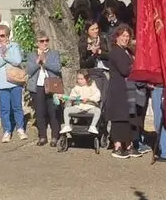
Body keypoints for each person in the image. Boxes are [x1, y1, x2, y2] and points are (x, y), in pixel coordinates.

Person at [0, 24, 27, 143]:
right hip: (0, 83)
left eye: (2, 35)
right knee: (4, 109)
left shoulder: (14, 46)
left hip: (15, 82)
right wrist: (4, 57)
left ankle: (20, 128)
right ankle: (7, 131)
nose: (0, 38)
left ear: (7, 36)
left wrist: (5, 55)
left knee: (17, 107)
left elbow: (17, 61)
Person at [105, 26, 140, 158]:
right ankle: (118, 146)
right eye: (123, 36)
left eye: (127, 36)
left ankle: (128, 145)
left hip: (126, 89)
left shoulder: (125, 51)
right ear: (117, 37)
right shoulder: (116, 51)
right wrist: (135, 65)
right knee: (119, 118)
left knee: (127, 118)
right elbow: (125, 70)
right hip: (118, 89)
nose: (126, 38)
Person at [26, 32, 63, 147]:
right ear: (37, 43)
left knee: (53, 111)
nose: (44, 43)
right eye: (41, 41)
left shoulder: (54, 53)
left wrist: (45, 62)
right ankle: (42, 136)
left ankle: (55, 137)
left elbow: (57, 68)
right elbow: (29, 71)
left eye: (46, 40)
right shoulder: (32, 55)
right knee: (40, 112)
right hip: (37, 86)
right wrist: (38, 62)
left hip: (52, 85)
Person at [58, 70, 102, 134]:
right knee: (67, 110)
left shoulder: (92, 86)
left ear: (87, 79)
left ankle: (92, 126)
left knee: (98, 111)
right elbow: (72, 96)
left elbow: (97, 96)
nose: (79, 81)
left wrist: (89, 99)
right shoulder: (76, 88)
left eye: (81, 79)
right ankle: (67, 125)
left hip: (89, 107)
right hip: (79, 106)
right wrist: (67, 98)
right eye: (78, 79)